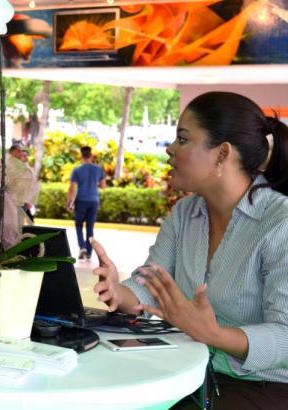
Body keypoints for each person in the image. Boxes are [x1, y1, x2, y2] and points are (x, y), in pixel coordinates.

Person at [93, 91, 288, 409]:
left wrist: (212, 333)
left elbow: (285, 338)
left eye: (183, 139)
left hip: (265, 386)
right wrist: (118, 291)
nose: (169, 149)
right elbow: (152, 284)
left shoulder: (280, 221)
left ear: (222, 153)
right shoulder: (186, 213)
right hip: (190, 371)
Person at [67, 146, 106, 261]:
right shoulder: (98, 169)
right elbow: (103, 186)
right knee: (90, 227)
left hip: (81, 201)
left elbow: (72, 188)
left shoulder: (77, 170)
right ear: (91, 155)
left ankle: (82, 247)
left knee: (79, 225)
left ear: (81, 156)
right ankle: (89, 252)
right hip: (94, 201)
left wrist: (69, 202)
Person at [9, 142, 35, 222]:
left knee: (19, 223)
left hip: (22, 200)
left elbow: (31, 182)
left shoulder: (25, 167)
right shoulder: (10, 165)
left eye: (21, 151)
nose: (21, 154)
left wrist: (29, 200)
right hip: (11, 200)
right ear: (11, 152)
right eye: (18, 151)